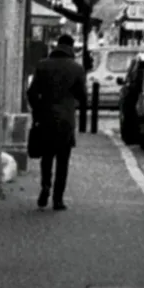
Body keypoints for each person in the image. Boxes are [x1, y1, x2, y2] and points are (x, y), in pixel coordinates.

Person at [26, 33, 88, 209]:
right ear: (71, 47)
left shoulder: (43, 65)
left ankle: (45, 185)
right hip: (66, 119)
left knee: (47, 156)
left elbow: (31, 93)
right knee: (63, 159)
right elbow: (82, 97)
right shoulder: (76, 68)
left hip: (46, 117)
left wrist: (38, 111)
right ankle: (58, 199)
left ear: (57, 46)